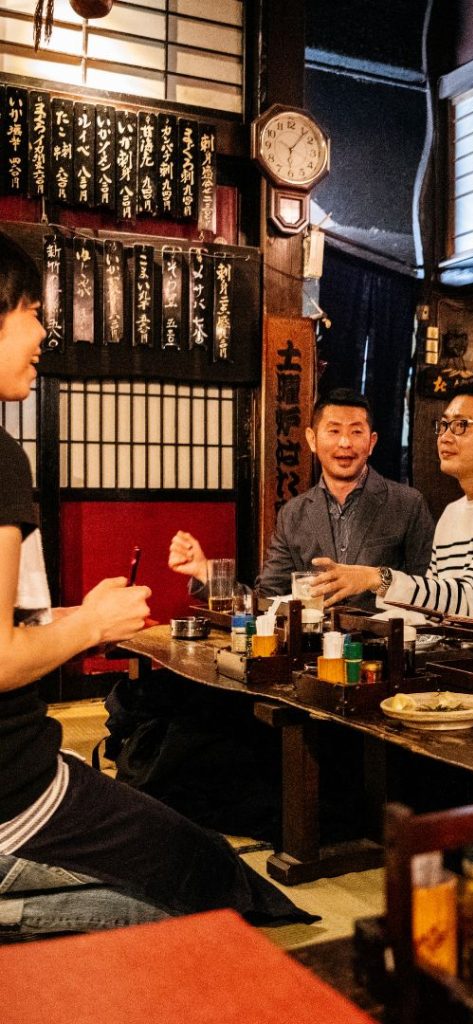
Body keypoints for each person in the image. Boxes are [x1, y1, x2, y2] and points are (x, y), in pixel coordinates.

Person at [0, 231, 312, 934]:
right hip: (13, 796)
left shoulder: (399, 506)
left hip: (24, 775)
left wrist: (85, 613)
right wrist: (91, 625)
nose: (45, 332)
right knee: (204, 886)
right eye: (28, 310)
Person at [170, 387, 434, 611]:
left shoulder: (408, 504)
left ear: (372, 442)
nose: (345, 443)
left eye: (356, 432)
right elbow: (266, 601)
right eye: (333, 431)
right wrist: (205, 572)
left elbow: (429, 592)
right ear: (312, 439)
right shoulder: (293, 514)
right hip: (311, 654)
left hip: (385, 655)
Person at [309, 378, 473, 614]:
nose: (445, 437)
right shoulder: (451, 514)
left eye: (461, 425)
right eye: (444, 425)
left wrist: (377, 578)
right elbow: (431, 606)